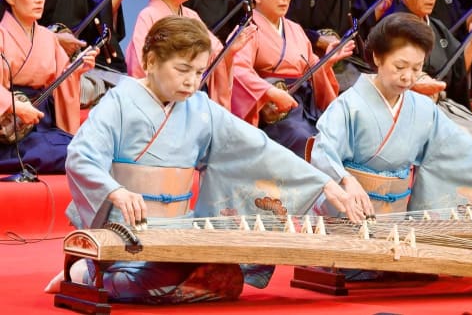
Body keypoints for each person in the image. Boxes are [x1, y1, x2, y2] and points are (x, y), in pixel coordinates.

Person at [47, 16, 361, 303]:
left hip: (181, 227)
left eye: (199, 72)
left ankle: (113, 278)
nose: (191, 82)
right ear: (151, 61)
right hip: (127, 228)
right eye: (182, 70)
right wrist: (115, 190)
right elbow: (81, 155)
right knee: (155, 281)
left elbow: (257, 148)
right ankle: (85, 274)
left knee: (226, 277)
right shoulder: (118, 102)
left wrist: (321, 183)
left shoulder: (200, 107)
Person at [311, 12, 472, 217]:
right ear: (377, 56)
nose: (408, 77)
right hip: (350, 213)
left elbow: (465, 152)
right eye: (399, 67)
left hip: (397, 217)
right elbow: (324, 152)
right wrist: (345, 179)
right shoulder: (348, 106)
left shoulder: (423, 109)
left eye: (416, 68)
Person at [232, 0, 353, 157]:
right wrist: (269, 92)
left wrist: (327, 61)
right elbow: (237, 70)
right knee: (304, 138)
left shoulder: (294, 29)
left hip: (303, 106)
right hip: (271, 111)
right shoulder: (248, 29)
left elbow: (312, 68)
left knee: (336, 133)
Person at [125, 0, 253, 111]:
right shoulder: (148, 15)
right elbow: (140, 65)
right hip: (162, 102)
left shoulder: (191, 16)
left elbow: (215, 57)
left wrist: (228, 52)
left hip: (193, 98)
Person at [0, 0, 97, 174]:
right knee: (71, 155)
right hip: (9, 130)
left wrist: (77, 70)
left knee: (85, 150)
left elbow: (61, 80)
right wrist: (14, 105)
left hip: (42, 122)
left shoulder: (47, 37)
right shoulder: (1, 35)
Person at [392, 0, 472, 149]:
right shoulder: (392, 27)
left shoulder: (437, 27)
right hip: (411, 109)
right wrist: (419, 85)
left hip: (442, 103)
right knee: (469, 142)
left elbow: (458, 70)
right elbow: (388, 78)